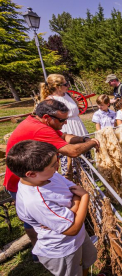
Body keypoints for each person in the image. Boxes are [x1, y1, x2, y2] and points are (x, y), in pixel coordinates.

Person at [3, 99, 100, 262]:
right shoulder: (39, 129)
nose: (65, 122)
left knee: (48, 217)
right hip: (26, 182)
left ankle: (60, 235)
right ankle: (40, 249)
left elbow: (65, 137)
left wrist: (83, 139)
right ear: (47, 117)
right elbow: (73, 152)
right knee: (39, 222)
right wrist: (92, 142)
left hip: (37, 177)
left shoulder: (37, 121)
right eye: (62, 120)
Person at [6, 140, 97, 275]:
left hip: (77, 238)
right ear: (31, 174)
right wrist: (84, 198)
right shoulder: (35, 201)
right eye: (53, 165)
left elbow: (72, 189)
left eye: (57, 160)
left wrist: (72, 210)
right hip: (63, 249)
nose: (57, 166)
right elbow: (72, 229)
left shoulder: (48, 176)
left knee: (84, 263)